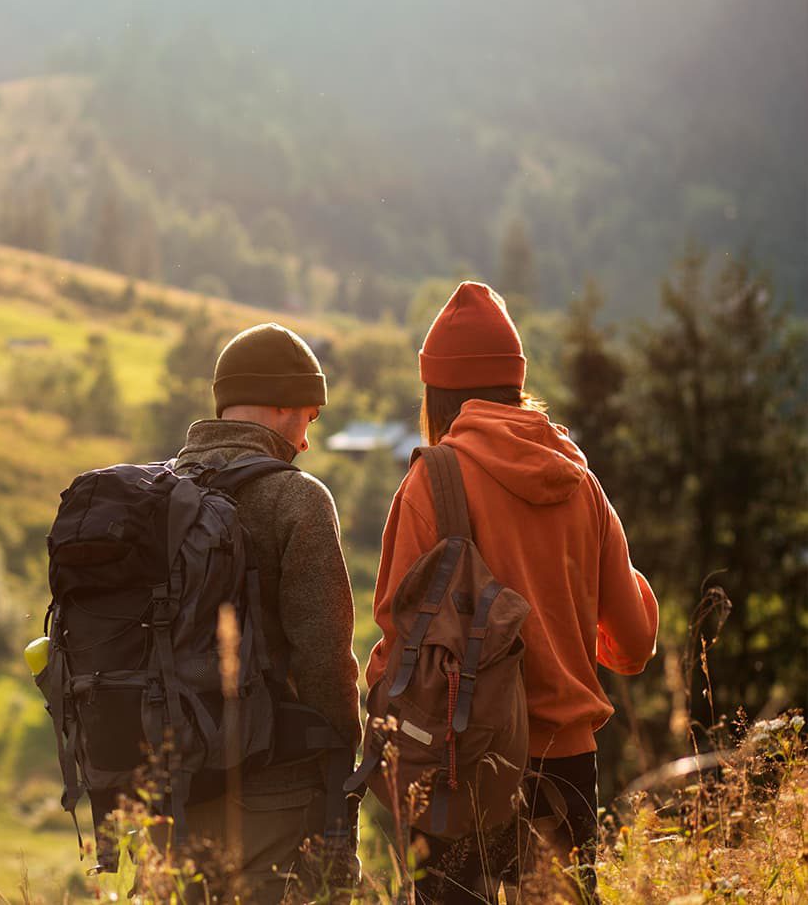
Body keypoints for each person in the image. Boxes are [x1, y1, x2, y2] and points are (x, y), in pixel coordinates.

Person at [367, 282, 659, 902]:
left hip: (459, 762)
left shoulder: (431, 481)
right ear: (515, 381)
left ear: (435, 390)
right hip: (568, 764)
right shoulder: (580, 481)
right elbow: (633, 645)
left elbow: (397, 641)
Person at [166, 321, 362, 902]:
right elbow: (325, 654)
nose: (304, 440)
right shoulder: (297, 498)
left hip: (170, 787)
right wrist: (345, 766)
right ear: (280, 406)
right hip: (277, 787)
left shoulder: (160, 494)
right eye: (307, 417)